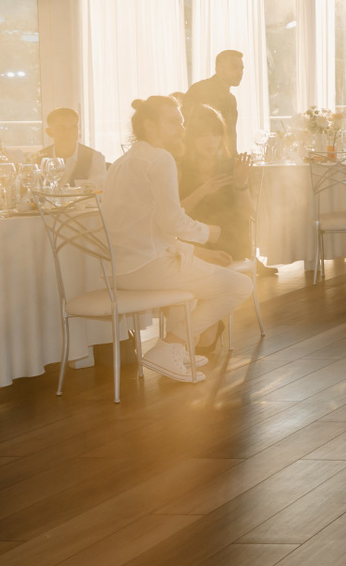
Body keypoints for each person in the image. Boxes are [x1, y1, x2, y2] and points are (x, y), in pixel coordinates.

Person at [101, 96, 252, 381]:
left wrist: (191, 250)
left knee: (194, 284)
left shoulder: (122, 162)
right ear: (149, 125)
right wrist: (207, 232)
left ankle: (177, 349)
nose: (182, 129)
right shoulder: (160, 159)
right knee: (239, 286)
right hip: (147, 267)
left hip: (119, 270)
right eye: (173, 122)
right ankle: (171, 345)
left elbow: (149, 228)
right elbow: (172, 221)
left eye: (181, 122)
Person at [178, 103, 253, 261]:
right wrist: (202, 191)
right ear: (192, 138)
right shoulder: (180, 168)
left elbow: (246, 214)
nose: (211, 141)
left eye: (215, 134)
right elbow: (175, 214)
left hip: (231, 244)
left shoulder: (232, 166)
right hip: (195, 247)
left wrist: (241, 184)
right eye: (203, 135)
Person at [185, 50, 245, 157]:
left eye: (241, 68)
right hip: (202, 159)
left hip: (224, 159)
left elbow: (230, 134)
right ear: (219, 69)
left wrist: (234, 157)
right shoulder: (200, 90)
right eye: (234, 67)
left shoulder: (231, 99)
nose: (239, 73)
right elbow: (187, 127)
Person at [34, 107, 105, 186]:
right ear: (49, 132)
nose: (69, 133)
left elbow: (98, 188)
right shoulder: (38, 158)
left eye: (74, 127)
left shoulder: (95, 158)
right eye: (62, 128)